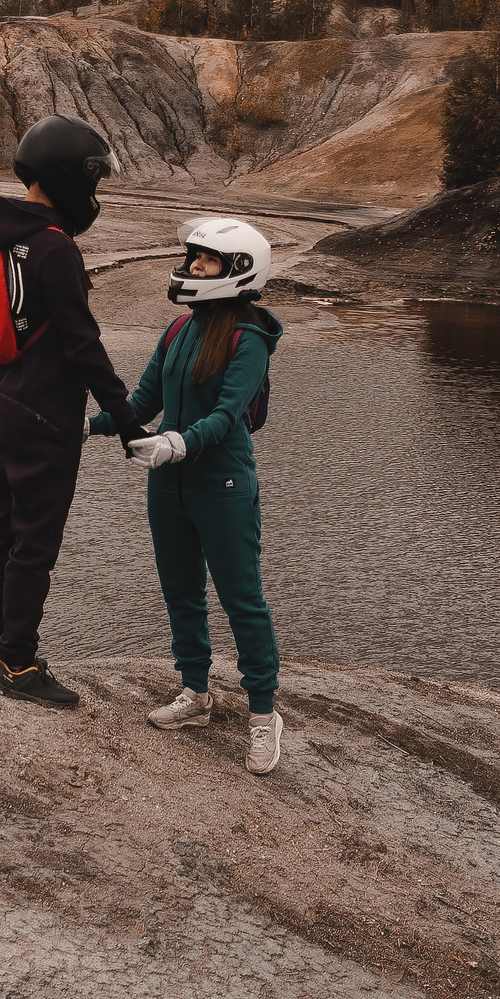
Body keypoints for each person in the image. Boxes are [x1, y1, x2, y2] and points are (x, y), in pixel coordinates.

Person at [91, 217, 287, 773]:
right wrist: (88, 426)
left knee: (241, 599)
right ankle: (196, 695)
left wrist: (178, 444)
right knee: (182, 593)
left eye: (205, 260)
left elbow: (228, 417)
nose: (193, 267)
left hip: (222, 485)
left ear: (239, 271)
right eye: (193, 257)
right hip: (169, 485)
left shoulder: (248, 341)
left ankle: (263, 715)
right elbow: (143, 399)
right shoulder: (179, 330)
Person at [0, 114, 139, 710]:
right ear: (67, 174)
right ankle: (19, 662)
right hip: (45, 411)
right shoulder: (54, 247)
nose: (93, 195)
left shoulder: (0, 234)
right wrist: (126, 417)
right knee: (34, 544)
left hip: (4, 399)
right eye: (91, 180)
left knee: (0, 531)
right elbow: (82, 343)